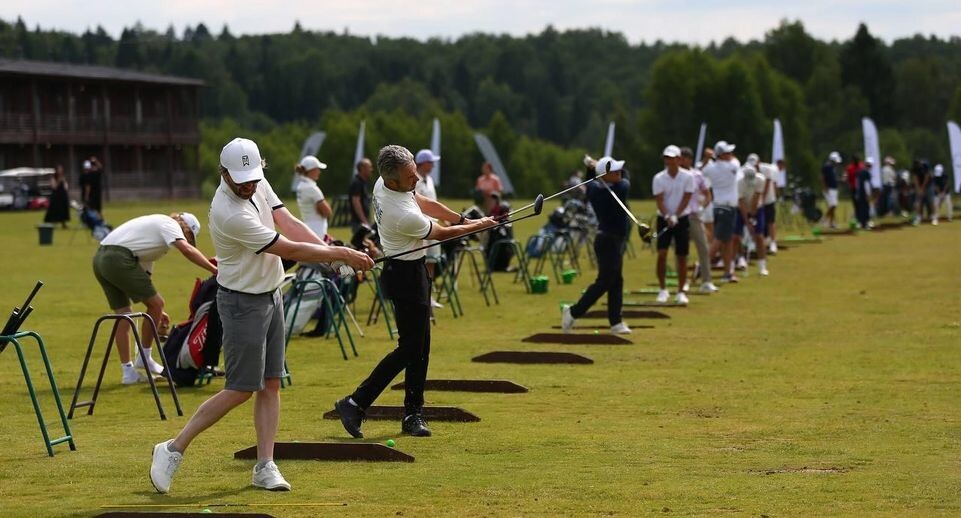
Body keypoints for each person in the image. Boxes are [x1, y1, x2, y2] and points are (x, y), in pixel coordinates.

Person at [149, 137, 374, 494]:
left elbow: (288, 223)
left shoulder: (257, 181)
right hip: (241, 303)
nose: (249, 185)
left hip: (271, 294)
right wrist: (342, 255)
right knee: (240, 389)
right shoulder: (228, 213)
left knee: (271, 384)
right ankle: (172, 448)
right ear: (224, 174)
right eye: (241, 180)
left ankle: (265, 466)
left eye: (253, 178)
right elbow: (286, 247)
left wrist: (330, 253)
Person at [333, 145, 496, 439]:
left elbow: (422, 201)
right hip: (404, 276)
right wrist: (476, 226)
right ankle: (355, 402)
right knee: (410, 349)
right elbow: (440, 234)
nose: (417, 178)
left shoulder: (387, 184)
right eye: (411, 175)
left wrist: (463, 219)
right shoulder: (402, 214)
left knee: (421, 348)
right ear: (393, 180)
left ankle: (412, 414)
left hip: (412, 271)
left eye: (415, 171)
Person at [93, 212, 217, 384]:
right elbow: (187, 250)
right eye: (188, 235)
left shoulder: (152, 239)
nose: (186, 239)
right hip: (117, 258)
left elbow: (145, 278)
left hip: (100, 259)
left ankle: (127, 372)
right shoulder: (169, 224)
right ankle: (144, 358)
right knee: (151, 305)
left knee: (124, 314)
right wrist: (214, 270)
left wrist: (158, 310)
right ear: (185, 226)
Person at [561, 155, 632, 334]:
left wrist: (592, 167)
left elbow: (590, 181)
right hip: (609, 241)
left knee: (616, 281)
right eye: (614, 171)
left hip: (608, 240)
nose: (619, 173)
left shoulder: (593, 190)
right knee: (605, 281)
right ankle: (573, 312)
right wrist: (595, 167)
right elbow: (626, 177)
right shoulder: (621, 189)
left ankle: (616, 322)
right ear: (605, 176)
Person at [652, 146, 694, 304]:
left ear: (679, 159)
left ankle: (681, 291)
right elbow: (659, 200)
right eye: (667, 158)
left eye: (672, 158)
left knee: (681, 256)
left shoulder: (688, 177)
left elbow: (687, 197)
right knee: (662, 254)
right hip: (663, 217)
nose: (669, 161)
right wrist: (668, 215)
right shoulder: (658, 178)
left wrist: (676, 215)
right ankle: (663, 289)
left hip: (682, 218)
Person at [679, 147, 717, 293]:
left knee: (703, 248)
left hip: (694, 216)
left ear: (689, 159)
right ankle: (683, 282)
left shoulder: (697, 175)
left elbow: (707, 194)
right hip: (681, 216)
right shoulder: (677, 175)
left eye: (683, 158)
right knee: (682, 251)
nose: (681, 161)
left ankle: (706, 281)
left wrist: (703, 206)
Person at [702, 141, 740, 283]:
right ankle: (702, 266)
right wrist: (714, 156)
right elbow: (735, 160)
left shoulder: (710, 168)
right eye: (727, 153)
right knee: (718, 240)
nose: (730, 155)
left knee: (727, 241)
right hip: (728, 207)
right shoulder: (733, 165)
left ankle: (727, 272)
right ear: (722, 155)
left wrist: (708, 158)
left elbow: (703, 170)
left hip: (717, 207)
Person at [414, 149, 444, 308]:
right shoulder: (413, 180)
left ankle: (429, 296)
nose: (432, 165)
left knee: (432, 262)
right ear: (423, 163)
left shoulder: (430, 180)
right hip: (421, 228)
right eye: (430, 162)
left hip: (434, 227)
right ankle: (420, 296)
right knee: (421, 263)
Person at [737, 155, 769, 276]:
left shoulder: (761, 179)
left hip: (757, 208)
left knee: (759, 236)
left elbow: (756, 198)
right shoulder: (739, 183)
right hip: (741, 209)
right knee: (736, 236)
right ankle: (740, 259)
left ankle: (762, 266)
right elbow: (741, 202)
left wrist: (753, 217)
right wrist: (747, 221)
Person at [294, 155, 332, 240]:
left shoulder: (301, 186)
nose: (319, 172)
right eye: (317, 169)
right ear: (312, 170)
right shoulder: (311, 188)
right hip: (317, 230)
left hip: (309, 227)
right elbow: (327, 212)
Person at [349, 158, 373, 234]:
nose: (371, 169)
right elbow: (356, 202)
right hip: (358, 223)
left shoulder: (362, 182)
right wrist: (364, 221)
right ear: (362, 168)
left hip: (362, 222)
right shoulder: (357, 183)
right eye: (369, 167)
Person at [762, 159, 780, 254]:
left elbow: (771, 184)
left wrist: (763, 199)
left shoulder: (768, 170)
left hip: (769, 200)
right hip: (757, 202)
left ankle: (773, 243)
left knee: (770, 221)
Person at [821, 151, 842, 228]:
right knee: (833, 205)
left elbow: (834, 179)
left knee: (833, 206)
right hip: (829, 189)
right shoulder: (826, 167)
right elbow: (822, 178)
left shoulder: (833, 168)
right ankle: (823, 220)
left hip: (834, 188)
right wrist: (825, 187)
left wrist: (840, 180)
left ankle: (832, 223)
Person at [912, 159, 933, 225]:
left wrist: (922, 188)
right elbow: (915, 179)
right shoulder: (915, 168)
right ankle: (919, 217)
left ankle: (932, 216)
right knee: (918, 201)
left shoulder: (925, 165)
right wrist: (918, 189)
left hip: (928, 185)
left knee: (930, 200)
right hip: (920, 185)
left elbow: (927, 177)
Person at [855, 157, 874, 229]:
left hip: (860, 193)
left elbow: (857, 184)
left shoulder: (860, 172)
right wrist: (868, 194)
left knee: (860, 208)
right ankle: (865, 224)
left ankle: (860, 223)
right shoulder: (867, 173)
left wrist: (857, 193)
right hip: (864, 194)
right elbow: (867, 185)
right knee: (865, 209)